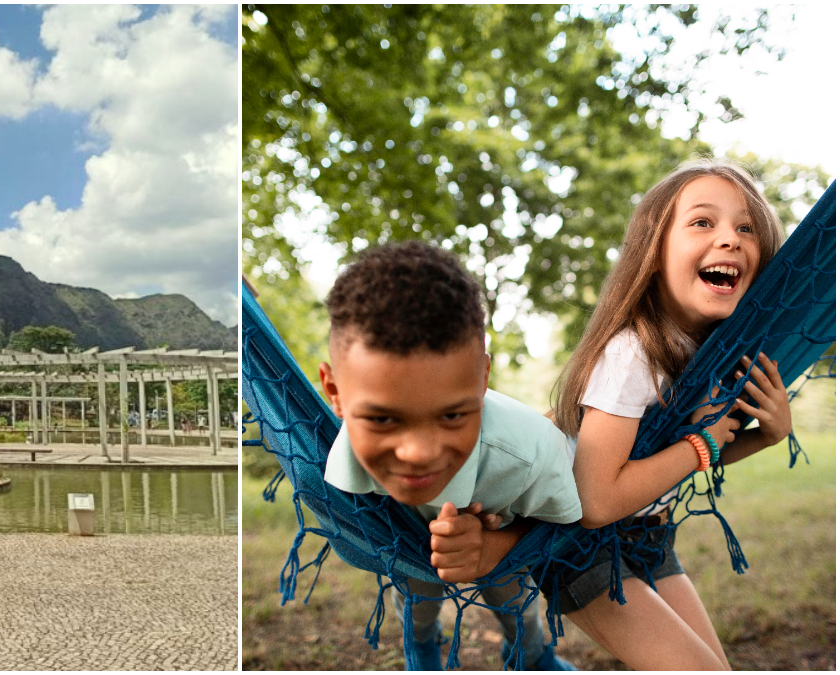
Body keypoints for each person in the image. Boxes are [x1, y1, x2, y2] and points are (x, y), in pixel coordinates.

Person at [542, 158, 792, 670]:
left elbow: (672, 458)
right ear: (653, 255)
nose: (730, 238)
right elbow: (596, 498)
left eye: (746, 227)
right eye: (703, 221)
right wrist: (703, 444)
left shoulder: (709, 353)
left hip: (650, 537)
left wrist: (762, 439)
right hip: (582, 547)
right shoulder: (632, 353)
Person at [319, 241, 581, 670]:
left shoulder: (530, 453)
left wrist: (496, 545)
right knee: (416, 595)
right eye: (383, 419)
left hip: (505, 541)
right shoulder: (332, 460)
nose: (418, 454)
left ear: (483, 378)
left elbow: (571, 525)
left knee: (513, 597)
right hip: (407, 539)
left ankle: (531, 656)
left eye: (453, 415)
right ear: (335, 393)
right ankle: (421, 652)